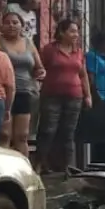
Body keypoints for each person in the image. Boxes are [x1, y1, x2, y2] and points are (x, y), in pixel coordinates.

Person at [37, 19, 92, 172]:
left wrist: (88, 95)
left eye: (77, 31)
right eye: (72, 31)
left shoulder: (78, 51)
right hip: (51, 95)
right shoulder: (49, 50)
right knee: (48, 130)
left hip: (74, 96)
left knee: (68, 132)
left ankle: (64, 166)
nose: (76, 35)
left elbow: (83, 74)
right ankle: (41, 163)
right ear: (62, 33)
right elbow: (40, 68)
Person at [0, 10, 45, 156]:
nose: (11, 26)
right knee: (4, 135)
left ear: (21, 25)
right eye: (7, 23)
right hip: (3, 94)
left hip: (25, 92)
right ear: (1, 26)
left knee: (22, 136)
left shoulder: (28, 43)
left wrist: (41, 74)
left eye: (15, 22)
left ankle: (24, 170)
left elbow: (39, 67)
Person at [85, 32, 105, 105]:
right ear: (101, 44)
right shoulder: (92, 56)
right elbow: (90, 79)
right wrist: (97, 97)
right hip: (99, 99)